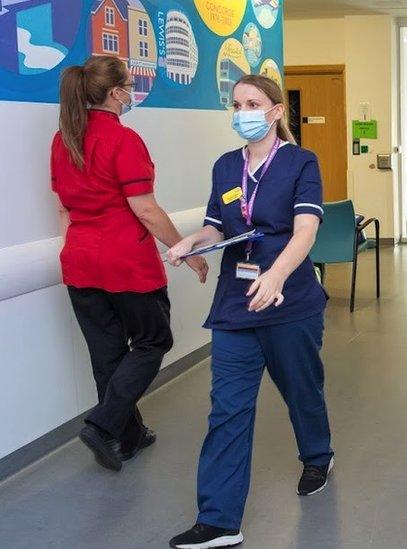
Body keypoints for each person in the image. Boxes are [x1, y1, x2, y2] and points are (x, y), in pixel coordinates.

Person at [167, 75, 333, 549]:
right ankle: (219, 520)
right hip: (236, 306)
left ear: (276, 111)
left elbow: (305, 231)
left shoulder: (301, 162)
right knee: (227, 409)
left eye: (253, 103)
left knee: (302, 389)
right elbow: (217, 228)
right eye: (237, 104)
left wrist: (277, 275)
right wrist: (190, 243)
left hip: (289, 301)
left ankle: (317, 455)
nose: (243, 111)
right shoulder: (225, 166)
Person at [50, 56, 208, 471]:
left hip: (80, 260)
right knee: (154, 341)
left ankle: (128, 436)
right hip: (126, 262)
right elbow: (146, 210)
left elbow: (64, 210)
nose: (131, 91)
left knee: (107, 353)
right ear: (117, 92)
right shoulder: (124, 139)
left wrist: (81, 249)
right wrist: (185, 250)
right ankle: (103, 426)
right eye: (129, 85)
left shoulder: (63, 139)